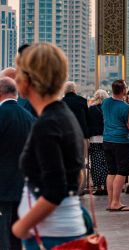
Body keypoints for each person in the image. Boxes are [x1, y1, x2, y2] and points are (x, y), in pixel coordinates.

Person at [11, 44, 87, 249]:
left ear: (28, 79)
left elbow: (55, 190)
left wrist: (20, 228)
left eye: (19, 71)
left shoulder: (48, 123)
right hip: (59, 229)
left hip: (49, 235)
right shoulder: (61, 115)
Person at [0, 77, 34, 250]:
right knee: (17, 233)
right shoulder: (29, 117)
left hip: (3, 184)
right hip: (23, 184)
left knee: (2, 231)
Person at [102, 80, 129, 212]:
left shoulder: (105, 103)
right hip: (121, 141)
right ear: (124, 91)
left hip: (107, 140)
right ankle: (116, 202)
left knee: (111, 171)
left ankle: (111, 201)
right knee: (121, 172)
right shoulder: (125, 107)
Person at [87, 89, 109, 196]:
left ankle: (98, 187)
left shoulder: (91, 109)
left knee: (95, 163)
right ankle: (106, 186)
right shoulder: (108, 108)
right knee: (106, 163)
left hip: (94, 138)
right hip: (107, 138)